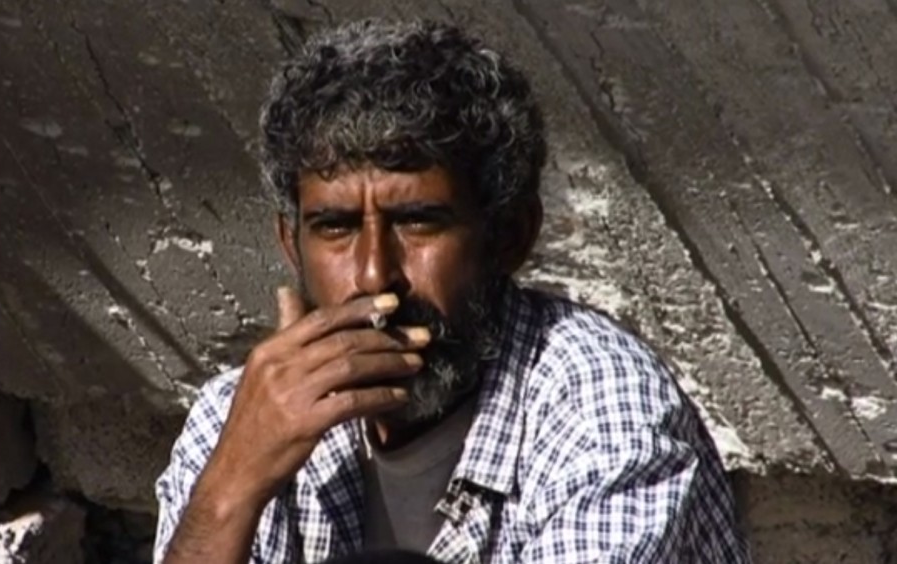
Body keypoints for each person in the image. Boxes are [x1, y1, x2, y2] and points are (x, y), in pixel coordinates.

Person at [153, 18, 750, 564]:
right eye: (334, 229)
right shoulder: (239, 421)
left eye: (419, 223)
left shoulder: (602, 411)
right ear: (291, 245)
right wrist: (231, 488)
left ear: (509, 236)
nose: (372, 276)